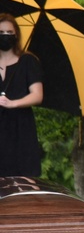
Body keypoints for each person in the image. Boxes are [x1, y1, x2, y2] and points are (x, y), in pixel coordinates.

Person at [0, 14, 43, 177]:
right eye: (1, 32)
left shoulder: (28, 61)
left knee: (23, 180)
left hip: (20, 130)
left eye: (9, 32)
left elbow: (37, 95)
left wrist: (13, 103)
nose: (5, 36)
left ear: (16, 34)